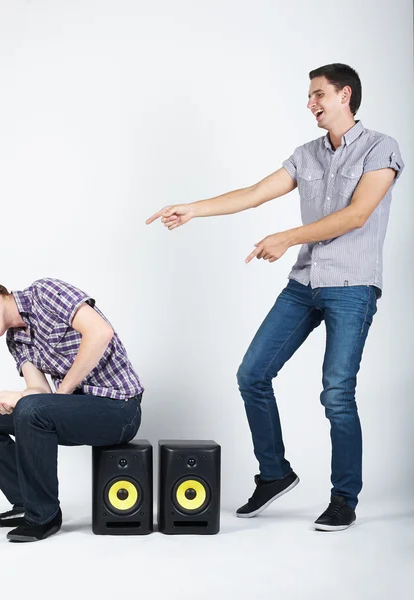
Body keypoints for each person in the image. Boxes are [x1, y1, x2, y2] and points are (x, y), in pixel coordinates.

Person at [146, 63, 404, 531]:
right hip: (304, 285)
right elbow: (255, 192)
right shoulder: (306, 154)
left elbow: (357, 215)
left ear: (345, 95)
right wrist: (193, 209)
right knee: (252, 374)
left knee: (337, 394)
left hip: (352, 287)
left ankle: (344, 498)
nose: (311, 104)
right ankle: (275, 473)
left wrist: (287, 236)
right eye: (310, 96)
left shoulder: (380, 148)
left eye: (318, 95)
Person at [0, 276, 143, 542]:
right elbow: (39, 392)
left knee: (32, 409)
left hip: (119, 409)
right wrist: (15, 398)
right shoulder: (16, 341)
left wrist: (60, 394)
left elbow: (100, 332)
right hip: (74, 411)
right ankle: (25, 503)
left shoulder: (45, 293)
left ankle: (44, 515)